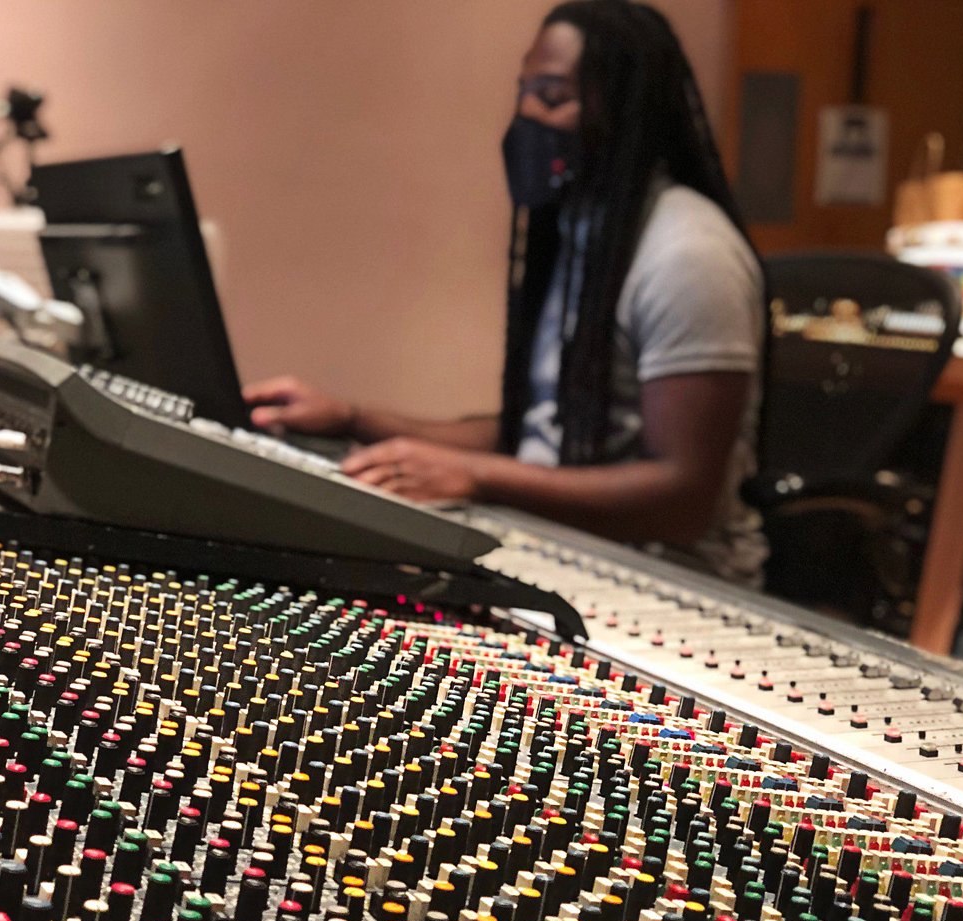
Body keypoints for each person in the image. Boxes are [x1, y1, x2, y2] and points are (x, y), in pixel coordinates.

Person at [245, 0, 767, 584]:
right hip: (566, 549)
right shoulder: (584, 232)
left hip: (671, 581)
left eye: (550, 94)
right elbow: (539, 431)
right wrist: (351, 419)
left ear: (624, 110)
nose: (524, 114)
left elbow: (682, 499)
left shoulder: (688, 254)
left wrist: (476, 475)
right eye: (523, 90)